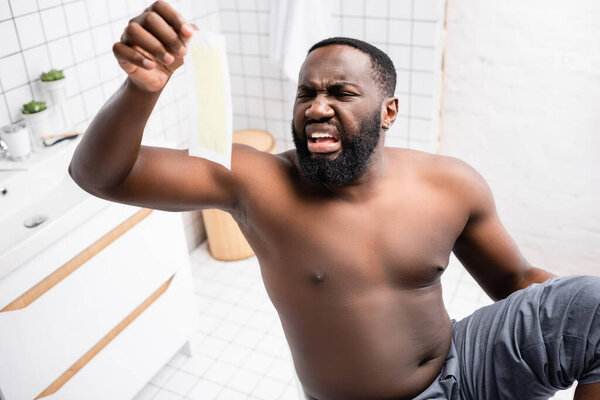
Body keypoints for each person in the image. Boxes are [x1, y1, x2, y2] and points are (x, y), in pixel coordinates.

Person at [69, 2, 600, 399]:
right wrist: (143, 89)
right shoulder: (254, 180)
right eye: (306, 93)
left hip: (470, 360)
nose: (317, 106)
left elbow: (514, 283)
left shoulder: (450, 184)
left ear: (388, 111)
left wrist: (577, 319)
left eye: (341, 93)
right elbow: (102, 176)